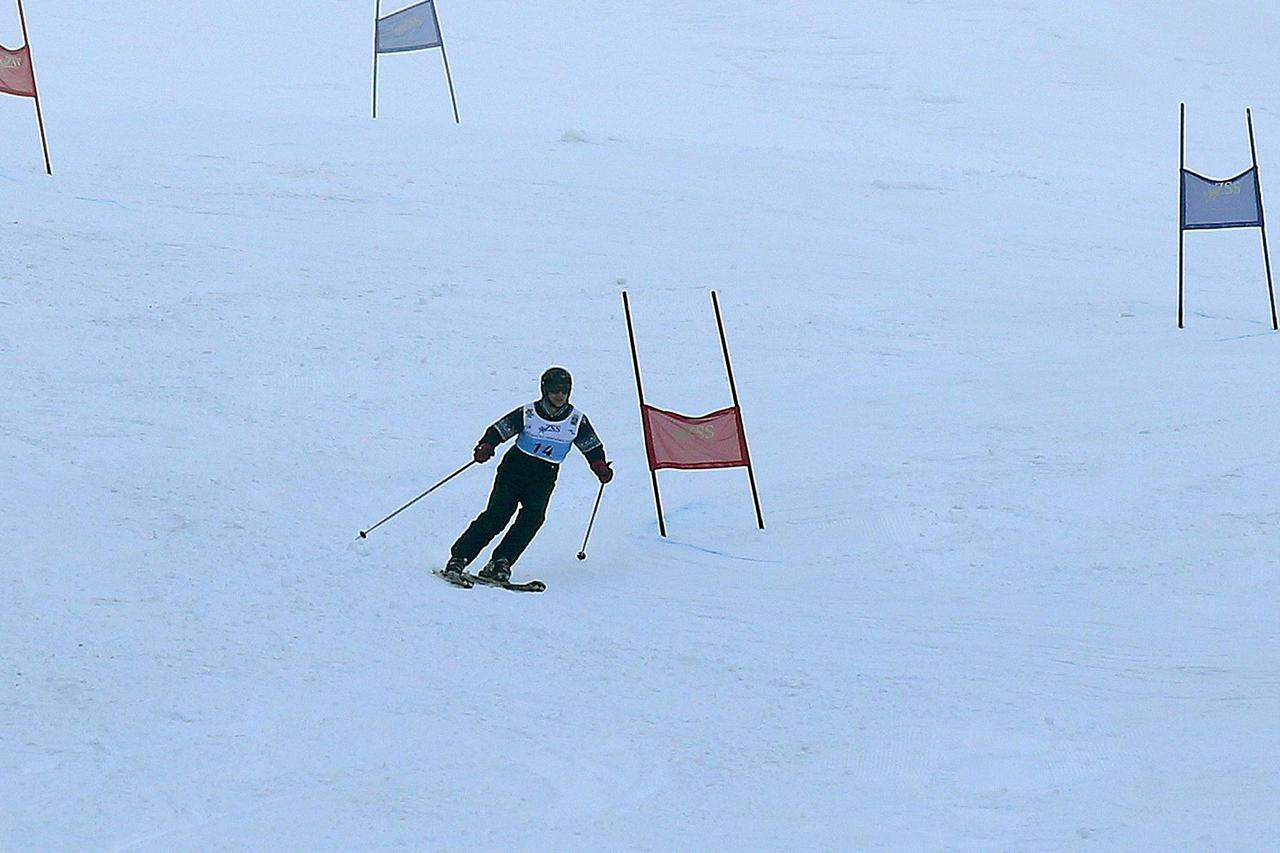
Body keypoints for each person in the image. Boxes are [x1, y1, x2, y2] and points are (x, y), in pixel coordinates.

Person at [442, 366, 613, 583]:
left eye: (564, 391)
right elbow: (500, 429)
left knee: (533, 518)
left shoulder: (576, 420)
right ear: (545, 390)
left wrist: (599, 466)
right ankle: (460, 557)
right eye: (554, 390)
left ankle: (501, 561)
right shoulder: (529, 413)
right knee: (498, 514)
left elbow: (592, 446)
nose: (559, 395)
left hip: (545, 474)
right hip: (515, 469)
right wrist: (487, 445)